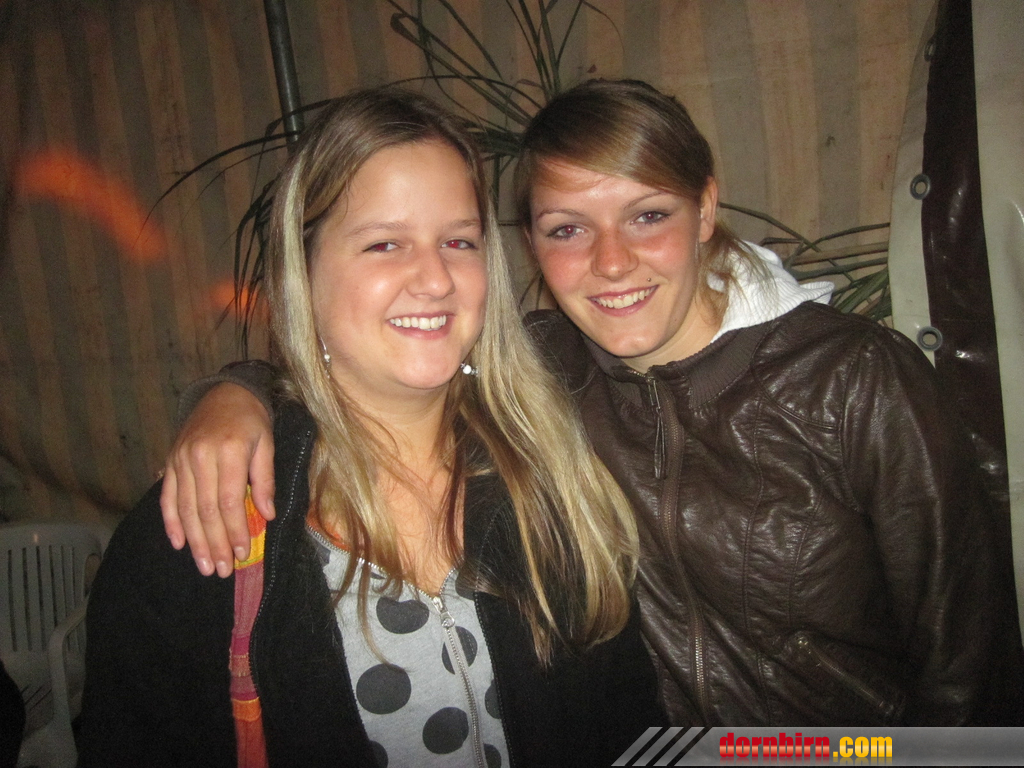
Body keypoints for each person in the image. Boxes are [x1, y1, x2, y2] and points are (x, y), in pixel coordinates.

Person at [162, 79, 998, 726]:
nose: (612, 262)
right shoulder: (540, 373)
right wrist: (234, 396)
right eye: (567, 229)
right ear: (529, 242)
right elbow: (367, 359)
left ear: (706, 208)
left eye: (648, 216)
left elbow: (975, 669)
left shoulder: (853, 380)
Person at [78, 87, 664, 768]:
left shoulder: (551, 471)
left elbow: (629, 725)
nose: (435, 279)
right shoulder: (205, 529)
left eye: (458, 241)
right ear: (304, 273)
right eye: (385, 244)